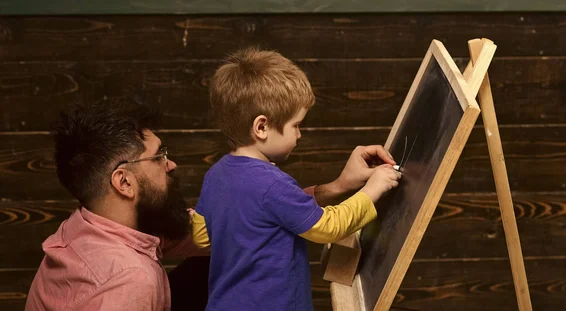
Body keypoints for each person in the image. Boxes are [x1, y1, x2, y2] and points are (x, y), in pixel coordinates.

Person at [192, 48, 401, 311]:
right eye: (296, 125)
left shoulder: (216, 175)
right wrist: (372, 189)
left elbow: (201, 237)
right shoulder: (272, 184)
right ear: (262, 127)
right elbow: (329, 226)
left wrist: (340, 186)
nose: (299, 135)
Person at [25, 98, 209, 311]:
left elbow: (209, 234)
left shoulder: (88, 224)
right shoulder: (131, 281)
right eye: (159, 156)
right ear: (124, 182)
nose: (171, 164)